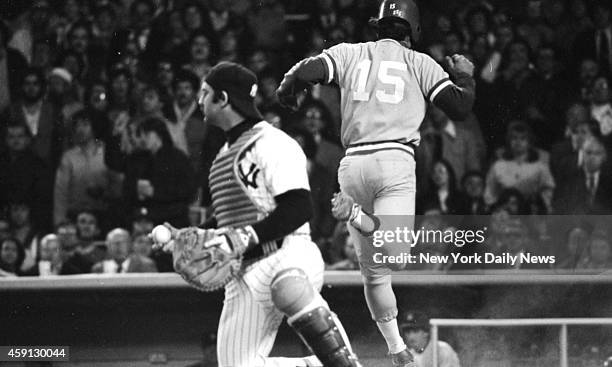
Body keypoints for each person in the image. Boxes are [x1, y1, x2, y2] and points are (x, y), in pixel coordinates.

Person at [276, 1, 475, 365]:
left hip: (352, 165)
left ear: (377, 26)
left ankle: (396, 348)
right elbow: (461, 108)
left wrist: (288, 85)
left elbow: (308, 70)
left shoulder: (350, 53)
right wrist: (465, 75)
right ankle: (354, 215)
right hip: (394, 162)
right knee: (397, 258)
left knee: (374, 274)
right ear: (413, 31)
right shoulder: (421, 63)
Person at [155, 61, 361, 367]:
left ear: (223, 99)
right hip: (244, 271)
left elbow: (300, 206)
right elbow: (229, 221)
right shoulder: (224, 155)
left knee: (288, 288)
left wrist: (243, 236)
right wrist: (192, 235)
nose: (200, 100)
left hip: (288, 253)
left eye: (205, 93)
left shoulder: (273, 143)